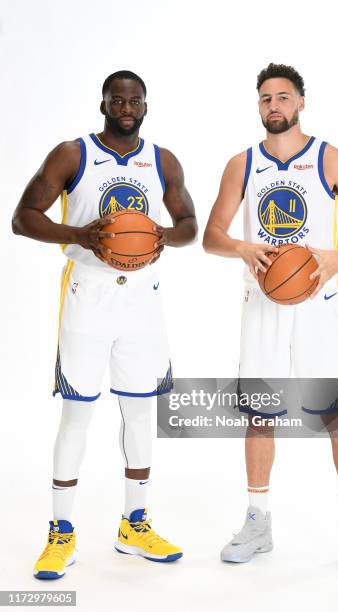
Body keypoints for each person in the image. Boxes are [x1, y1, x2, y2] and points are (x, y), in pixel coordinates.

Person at [202, 62, 338, 575]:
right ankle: (258, 521)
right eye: (266, 99)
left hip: (316, 304)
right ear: (258, 106)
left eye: (283, 97)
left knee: (336, 414)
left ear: (301, 102)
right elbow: (211, 236)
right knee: (260, 415)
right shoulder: (241, 164)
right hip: (261, 301)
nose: (274, 107)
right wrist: (243, 246)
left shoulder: (331, 159)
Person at [12, 70, 197, 579]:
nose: (126, 107)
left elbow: (189, 226)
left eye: (135, 100)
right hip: (86, 298)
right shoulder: (72, 155)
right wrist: (80, 234)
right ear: (104, 104)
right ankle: (61, 533)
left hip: (142, 304)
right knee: (77, 415)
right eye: (118, 99)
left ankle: (134, 524)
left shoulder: (162, 160)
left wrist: (161, 234)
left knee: (140, 415)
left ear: (145, 105)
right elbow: (23, 216)